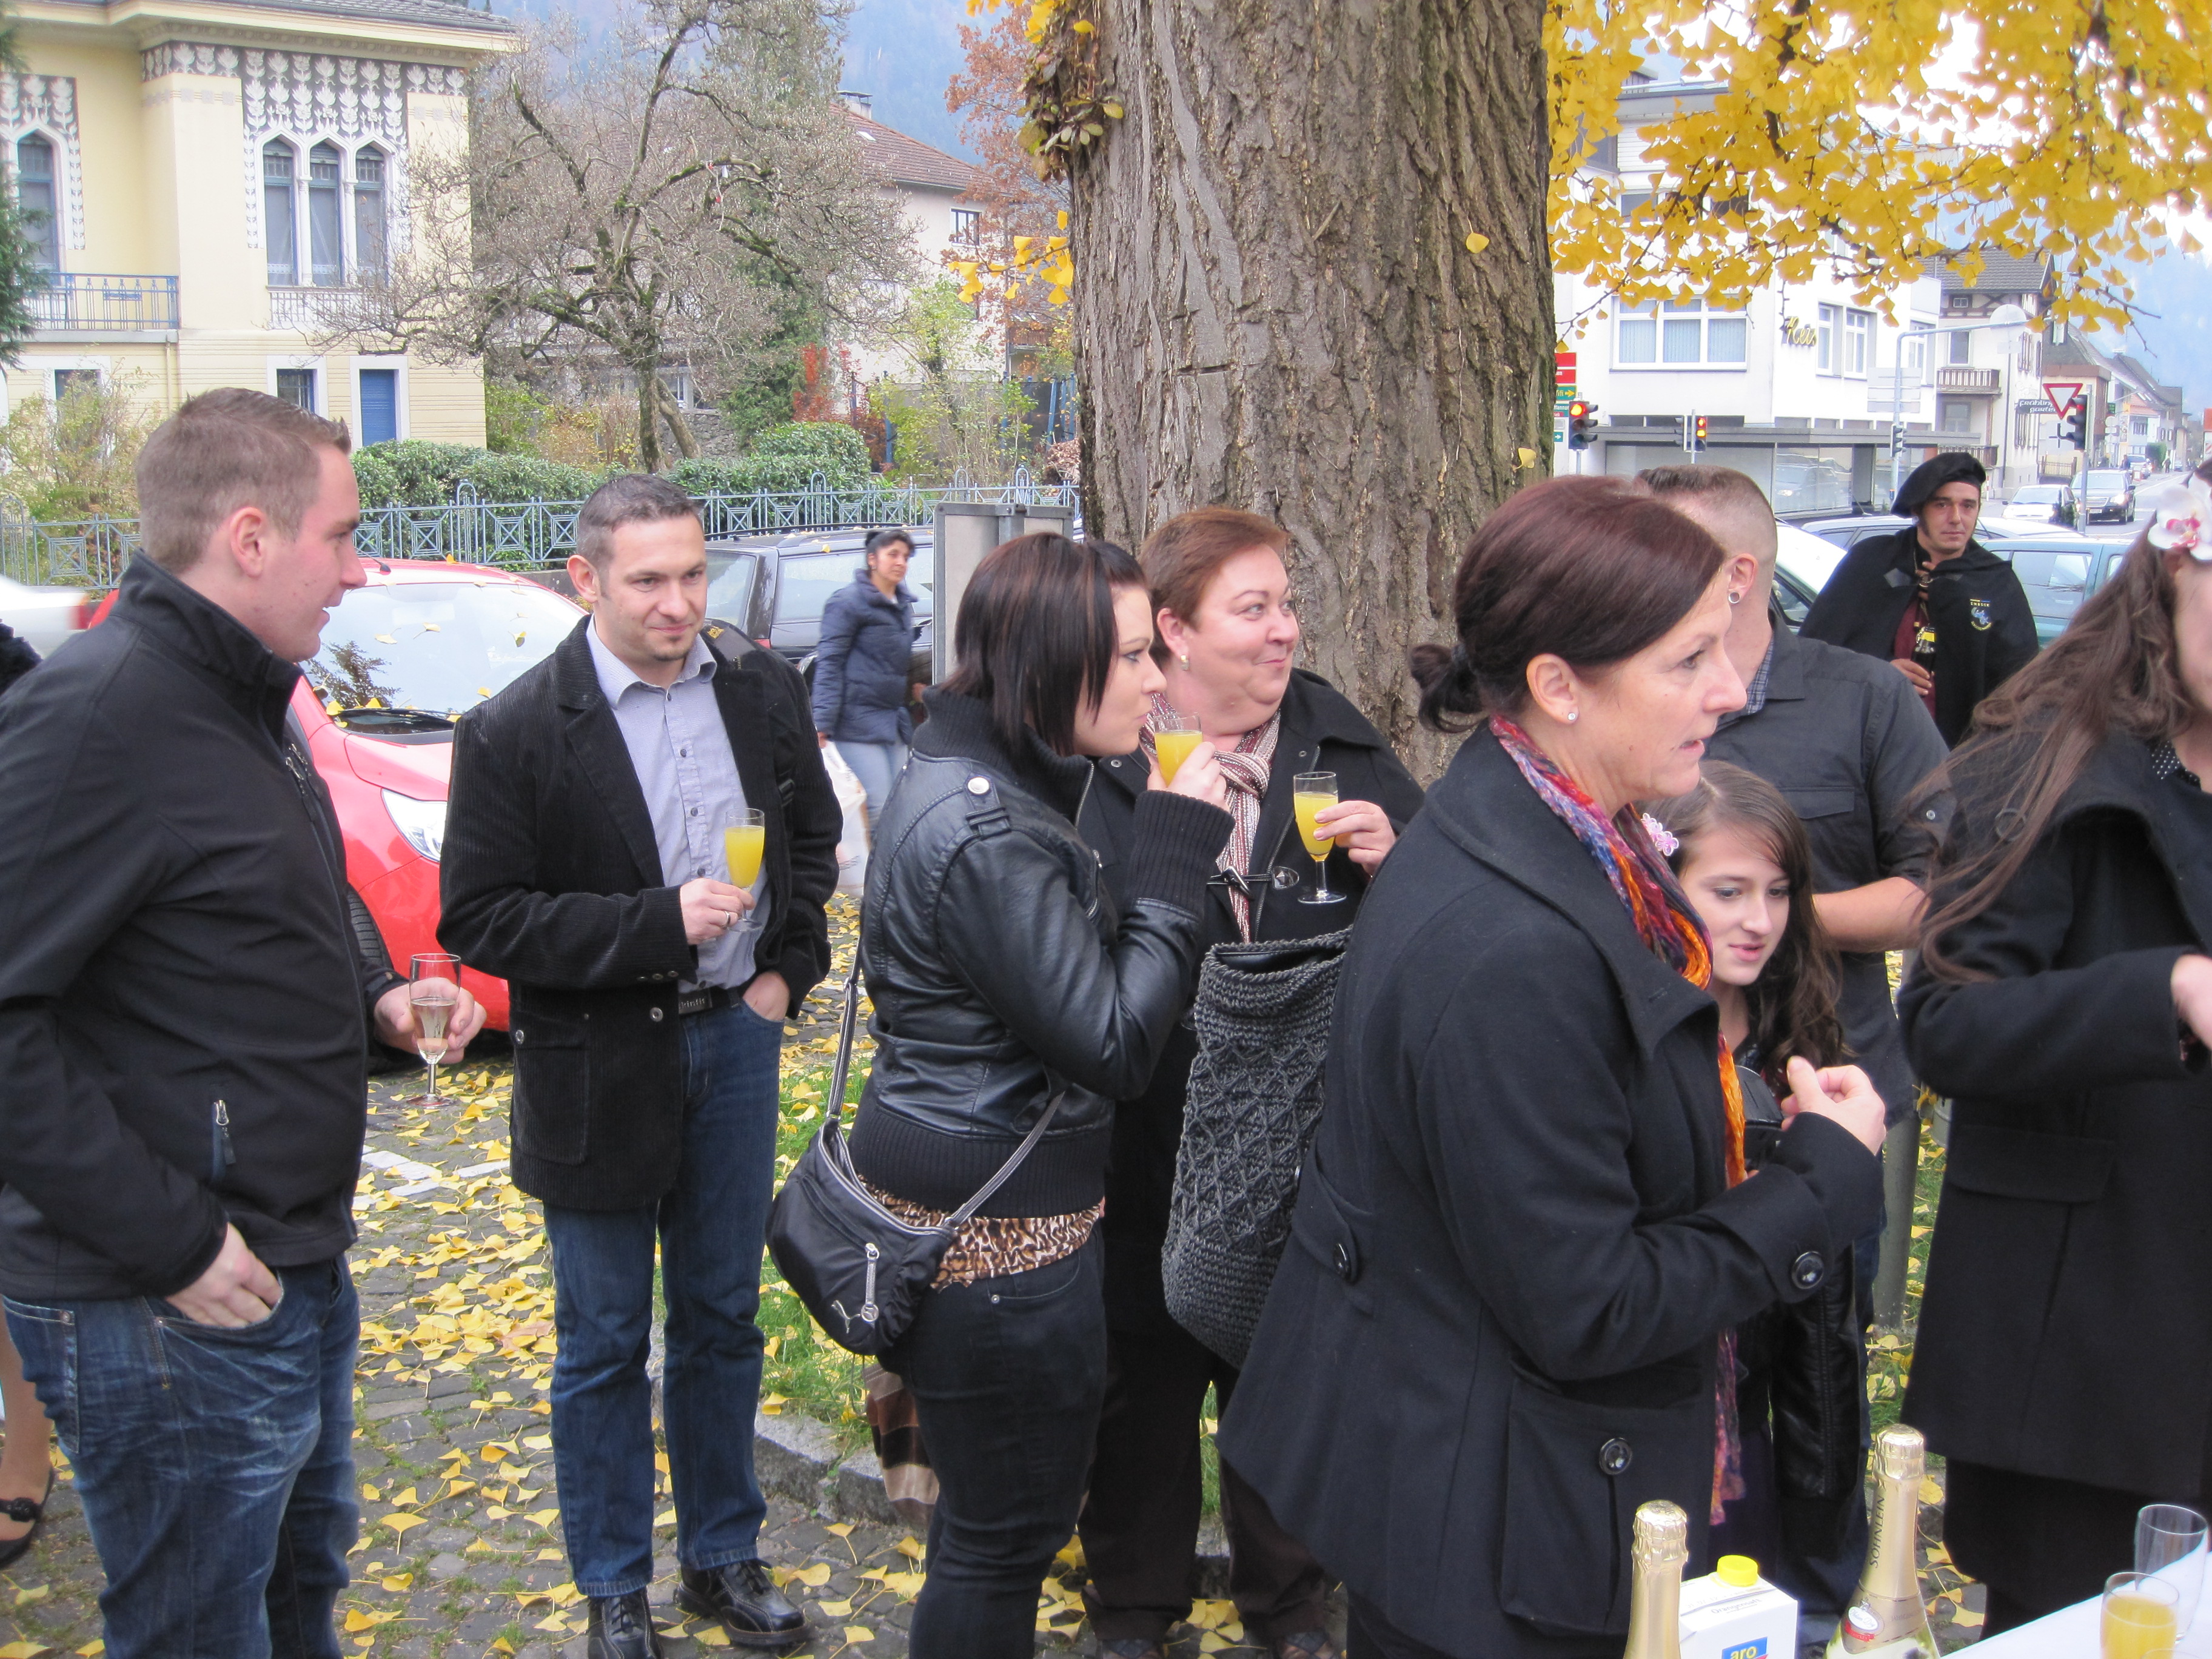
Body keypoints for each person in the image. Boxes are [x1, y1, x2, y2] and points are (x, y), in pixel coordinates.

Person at [1219, 476, 1886, 1659]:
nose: (1731, 690)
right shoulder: (1519, 940)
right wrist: (1817, 1183)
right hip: (1499, 1544)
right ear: (1559, 684)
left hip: (1467, 1484)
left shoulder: (1541, 829)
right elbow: (1590, 1307)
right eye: (1688, 661)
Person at [0, 387, 484, 1658]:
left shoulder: (241, 694)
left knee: (295, 1593)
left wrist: (374, 991)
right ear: (252, 539)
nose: (360, 569)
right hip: (165, 1298)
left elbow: (263, 893)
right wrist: (169, 1241)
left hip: (284, 1260)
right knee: (200, 1630)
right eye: (343, 535)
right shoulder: (99, 712)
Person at [439, 475, 842, 1659]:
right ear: (587, 580)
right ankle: (614, 1585)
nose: (678, 604)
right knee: (604, 1339)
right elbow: (482, 918)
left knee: (722, 1318)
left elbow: (811, 838)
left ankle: (723, 1557)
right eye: (649, 581)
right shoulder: (515, 729)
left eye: (693, 575)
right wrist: (654, 924)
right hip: (597, 1064)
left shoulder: (759, 690)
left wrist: (786, 973)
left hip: (735, 1040)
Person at [851, 532, 1232, 1659]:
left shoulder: (987, 785)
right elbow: (1114, 1041)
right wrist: (1176, 845)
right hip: (998, 1245)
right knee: (1000, 1540)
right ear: (1052, 662)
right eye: (1135, 656)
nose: (1159, 681)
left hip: (983, 1209)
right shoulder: (986, 827)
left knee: (993, 1531)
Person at [1074, 506, 1424, 1659]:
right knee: (1140, 1382)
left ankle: (1291, 1606)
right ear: (1173, 631)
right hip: (1143, 1132)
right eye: (1254, 608)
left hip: (1303, 1146)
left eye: (1288, 605)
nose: (1285, 631)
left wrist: (1399, 869)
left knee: (1286, 1376)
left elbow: (1445, 949)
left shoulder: (1344, 750)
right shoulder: (1104, 758)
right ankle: (1134, 1607)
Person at [1634, 467, 1949, 1639]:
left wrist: (1758, 912)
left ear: (1734, 577)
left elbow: (1941, 890)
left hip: (1827, 1095)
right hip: (1676, 1107)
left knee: (1815, 1375)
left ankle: (1809, 1596)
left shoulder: (1861, 699)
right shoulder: (1631, 700)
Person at [1899, 462, 2212, 1635]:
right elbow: (1945, 1025)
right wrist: (2161, 991)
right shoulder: (2048, 762)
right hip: (2086, 1354)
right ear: (2172, 569)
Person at [1648, 765, 1868, 1592]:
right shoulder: (1634, 1040)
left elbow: (1828, 1317)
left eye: (1779, 893)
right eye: (1729, 891)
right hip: (1661, 1406)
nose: (1760, 921)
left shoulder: (1798, 1043)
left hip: (1759, 1416)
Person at [1801, 453, 2037, 746]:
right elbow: (1815, 651)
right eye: (1942, 505)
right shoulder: (1874, 562)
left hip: (1959, 748)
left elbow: (2020, 679)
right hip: (1868, 740)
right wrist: (1878, 672)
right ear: (1918, 509)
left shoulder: (1995, 581)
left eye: (1968, 506)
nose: (1956, 518)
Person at [814, 527, 920, 834]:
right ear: (872, 559)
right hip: (856, 721)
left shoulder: (902, 604)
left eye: (905, 557)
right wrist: (821, 722)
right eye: (893, 555)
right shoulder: (848, 602)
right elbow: (830, 662)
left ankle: (891, 865)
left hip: (892, 721)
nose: (900, 562)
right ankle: (870, 867)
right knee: (877, 807)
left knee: (901, 805)